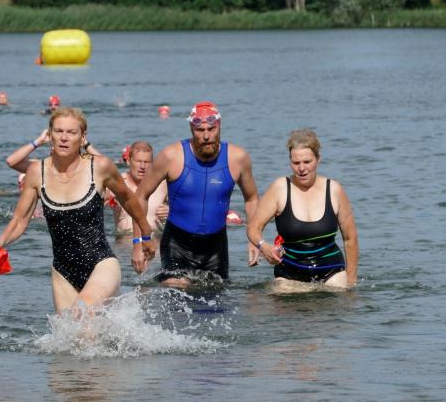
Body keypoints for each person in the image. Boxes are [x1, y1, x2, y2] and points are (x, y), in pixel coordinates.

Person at [0, 108, 152, 313]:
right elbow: (20, 220)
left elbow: (129, 199)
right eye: (58, 131)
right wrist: (0, 242)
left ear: (82, 137)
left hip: (102, 264)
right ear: (50, 135)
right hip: (62, 272)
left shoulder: (100, 167)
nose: (64, 138)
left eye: (71, 132)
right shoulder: (37, 172)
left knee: (80, 313)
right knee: (70, 332)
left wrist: (146, 235)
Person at [132, 101, 259, 287]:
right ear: (192, 129)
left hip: (216, 247)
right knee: (177, 289)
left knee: (216, 298)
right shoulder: (171, 156)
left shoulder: (238, 158)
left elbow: (252, 198)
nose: (206, 136)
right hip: (177, 244)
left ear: (219, 126)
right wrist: (138, 242)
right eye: (200, 130)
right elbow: (140, 197)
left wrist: (254, 238)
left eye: (211, 129)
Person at [247, 129, 358, 291]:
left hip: (331, 272)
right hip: (289, 274)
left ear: (318, 159)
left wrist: (351, 281)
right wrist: (264, 246)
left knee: (340, 295)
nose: (301, 168)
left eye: (307, 162)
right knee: (276, 297)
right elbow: (253, 227)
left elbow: (350, 238)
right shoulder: (280, 188)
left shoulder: (334, 190)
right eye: (296, 163)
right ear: (290, 162)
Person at [106, 141, 168, 235]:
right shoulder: (116, 184)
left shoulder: (162, 185)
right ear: (128, 161)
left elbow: (185, 207)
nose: (142, 166)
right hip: (124, 240)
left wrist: (170, 212)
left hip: (154, 239)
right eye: (138, 161)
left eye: (146, 162)